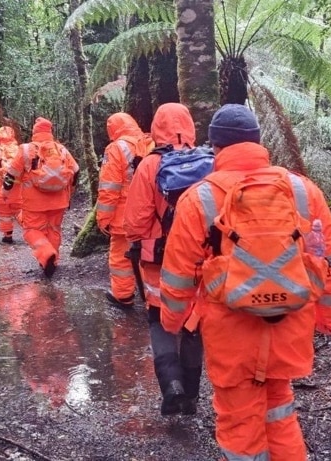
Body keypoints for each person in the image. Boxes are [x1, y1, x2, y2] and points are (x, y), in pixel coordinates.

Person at [159, 104, 331, 460]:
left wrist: (172, 322)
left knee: (238, 421)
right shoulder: (304, 191)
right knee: (279, 408)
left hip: (231, 332)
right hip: (290, 324)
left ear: (215, 147)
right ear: (259, 142)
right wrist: (330, 319)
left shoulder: (199, 197)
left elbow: (178, 273)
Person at [124, 103, 204, 416]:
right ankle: (193, 396)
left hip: (158, 260)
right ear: (190, 125)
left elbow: (134, 223)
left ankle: (172, 386)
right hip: (198, 260)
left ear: (156, 127)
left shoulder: (150, 165)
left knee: (160, 321)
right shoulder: (209, 160)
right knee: (193, 323)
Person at [2, 117, 79, 278]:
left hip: (34, 203)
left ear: (34, 132)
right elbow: (76, 170)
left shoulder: (25, 149)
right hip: (59, 201)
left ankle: (46, 254)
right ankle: (53, 260)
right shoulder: (61, 150)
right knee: (54, 229)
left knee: (32, 230)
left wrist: (6, 192)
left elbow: (11, 174)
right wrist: (69, 192)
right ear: (50, 132)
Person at [96, 112, 153, 309]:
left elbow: (109, 187)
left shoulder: (116, 149)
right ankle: (153, 301)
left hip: (124, 216)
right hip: (150, 215)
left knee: (121, 257)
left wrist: (103, 217)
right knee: (149, 257)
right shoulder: (151, 143)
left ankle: (123, 295)